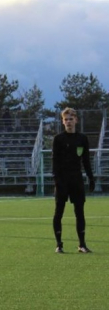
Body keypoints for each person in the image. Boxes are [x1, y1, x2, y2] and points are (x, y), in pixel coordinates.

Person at [52, 107, 95, 254]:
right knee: (59, 212)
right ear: (62, 122)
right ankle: (59, 244)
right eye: (66, 119)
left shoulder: (82, 139)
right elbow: (55, 162)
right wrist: (57, 180)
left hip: (76, 180)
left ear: (76, 120)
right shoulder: (58, 139)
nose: (68, 122)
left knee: (79, 212)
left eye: (71, 119)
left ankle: (82, 245)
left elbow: (86, 160)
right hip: (62, 180)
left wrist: (91, 177)